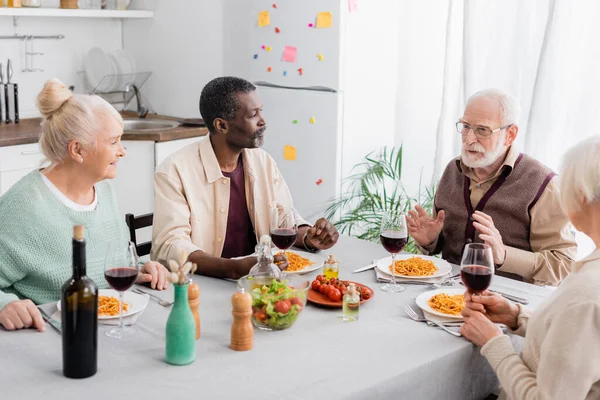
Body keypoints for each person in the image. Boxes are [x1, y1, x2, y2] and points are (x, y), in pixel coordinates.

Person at [0, 79, 170, 332]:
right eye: (113, 142)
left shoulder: (103, 189)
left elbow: (114, 260)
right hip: (52, 336)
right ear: (78, 150)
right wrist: (4, 304)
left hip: (109, 326)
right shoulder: (22, 207)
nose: (122, 151)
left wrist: (141, 269)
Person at [152, 76, 339, 279]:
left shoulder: (263, 162)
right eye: (253, 115)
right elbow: (171, 245)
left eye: (261, 111)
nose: (263, 121)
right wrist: (233, 268)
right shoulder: (174, 171)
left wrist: (310, 237)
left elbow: (284, 218)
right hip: (201, 286)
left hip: (260, 281)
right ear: (221, 126)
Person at [460, 136, 600, 399]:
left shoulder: (587, 294)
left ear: (579, 195)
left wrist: (493, 342)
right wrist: (516, 315)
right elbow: (574, 337)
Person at [407, 89, 576, 285]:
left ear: (510, 135)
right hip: (445, 297)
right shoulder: (453, 170)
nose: (469, 139)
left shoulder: (543, 184)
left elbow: (564, 265)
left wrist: (504, 255)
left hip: (507, 304)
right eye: (466, 126)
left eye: (482, 130)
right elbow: (443, 247)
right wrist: (430, 241)